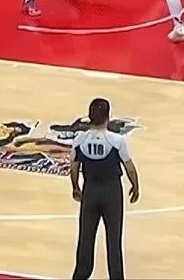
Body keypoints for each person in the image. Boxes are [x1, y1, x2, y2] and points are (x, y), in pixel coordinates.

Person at [69, 97, 139, 280]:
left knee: (85, 240)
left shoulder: (80, 140)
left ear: (89, 117)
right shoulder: (117, 141)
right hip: (112, 193)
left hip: (90, 192)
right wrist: (135, 185)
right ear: (108, 117)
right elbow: (129, 167)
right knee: (113, 242)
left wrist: (75, 187)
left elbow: (74, 167)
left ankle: (80, 276)